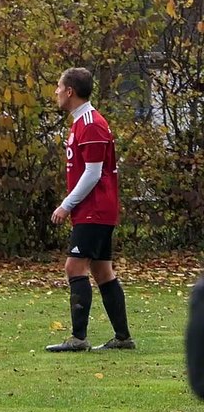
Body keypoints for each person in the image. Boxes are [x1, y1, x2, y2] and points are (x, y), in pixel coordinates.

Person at [45, 67, 132, 352]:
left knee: (74, 267)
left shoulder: (92, 123)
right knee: (103, 271)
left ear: (70, 91)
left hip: (95, 209)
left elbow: (94, 174)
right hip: (95, 210)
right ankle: (122, 338)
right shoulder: (80, 122)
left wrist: (66, 205)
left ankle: (78, 338)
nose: (56, 92)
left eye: (58, 87)